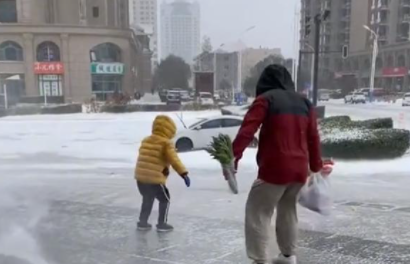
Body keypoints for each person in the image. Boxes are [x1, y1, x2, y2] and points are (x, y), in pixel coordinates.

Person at [232, 64, 328, 264]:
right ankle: (288, 256)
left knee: (258, 211)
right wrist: (316, 166)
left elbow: (247, 131)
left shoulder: (266, 100)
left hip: (275, 169)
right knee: (288, 210)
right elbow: (313, 138)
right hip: (299, 172)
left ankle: (259, 259)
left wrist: (233, 156)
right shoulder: (306, 103)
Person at [135, 115, 190, 232]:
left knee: (147, 198)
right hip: (154, 180)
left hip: (140, 179)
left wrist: (164, 167)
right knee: (165, 199)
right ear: (169, 130)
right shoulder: (166, 143)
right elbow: (174, 159)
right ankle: (161, 224)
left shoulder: (146, 140)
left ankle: (142, 222)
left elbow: (147, 158)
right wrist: (183, 173)